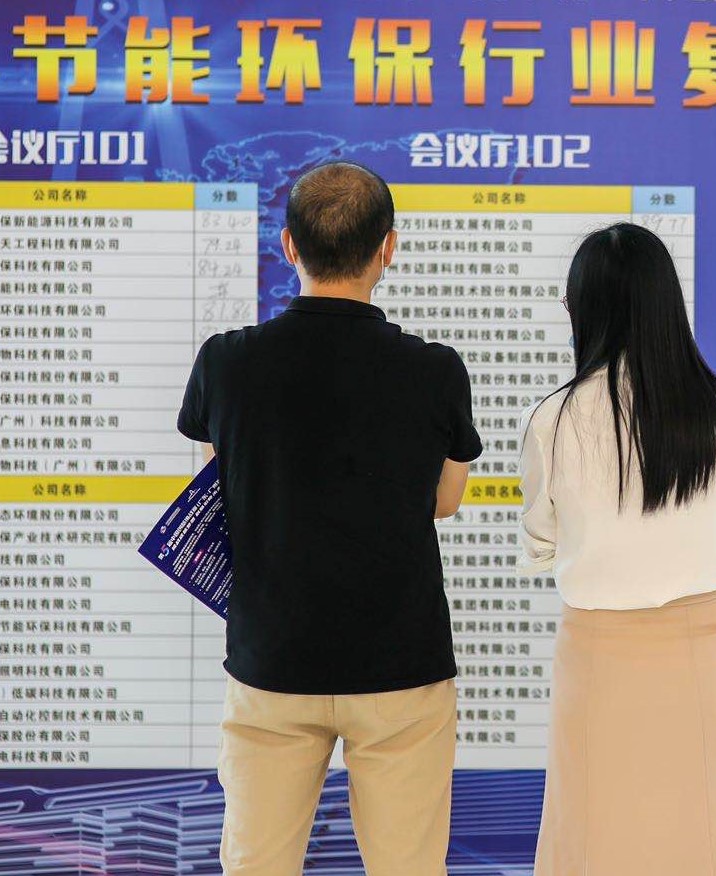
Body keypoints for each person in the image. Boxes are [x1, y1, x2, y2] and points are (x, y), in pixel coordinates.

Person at [176, 161, 481, 876]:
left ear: (288, 246)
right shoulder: (435, 370)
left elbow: (223, 484)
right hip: (401, 665)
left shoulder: (226, 363)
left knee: (256, 864)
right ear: (388, 248)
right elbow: (444, 501)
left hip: (272, 660)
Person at [516, 223, 716, 875]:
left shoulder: (554, 419)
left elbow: (542, 542)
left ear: (586, 309)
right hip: (711, 649)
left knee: (596, 840)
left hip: (600, 654)